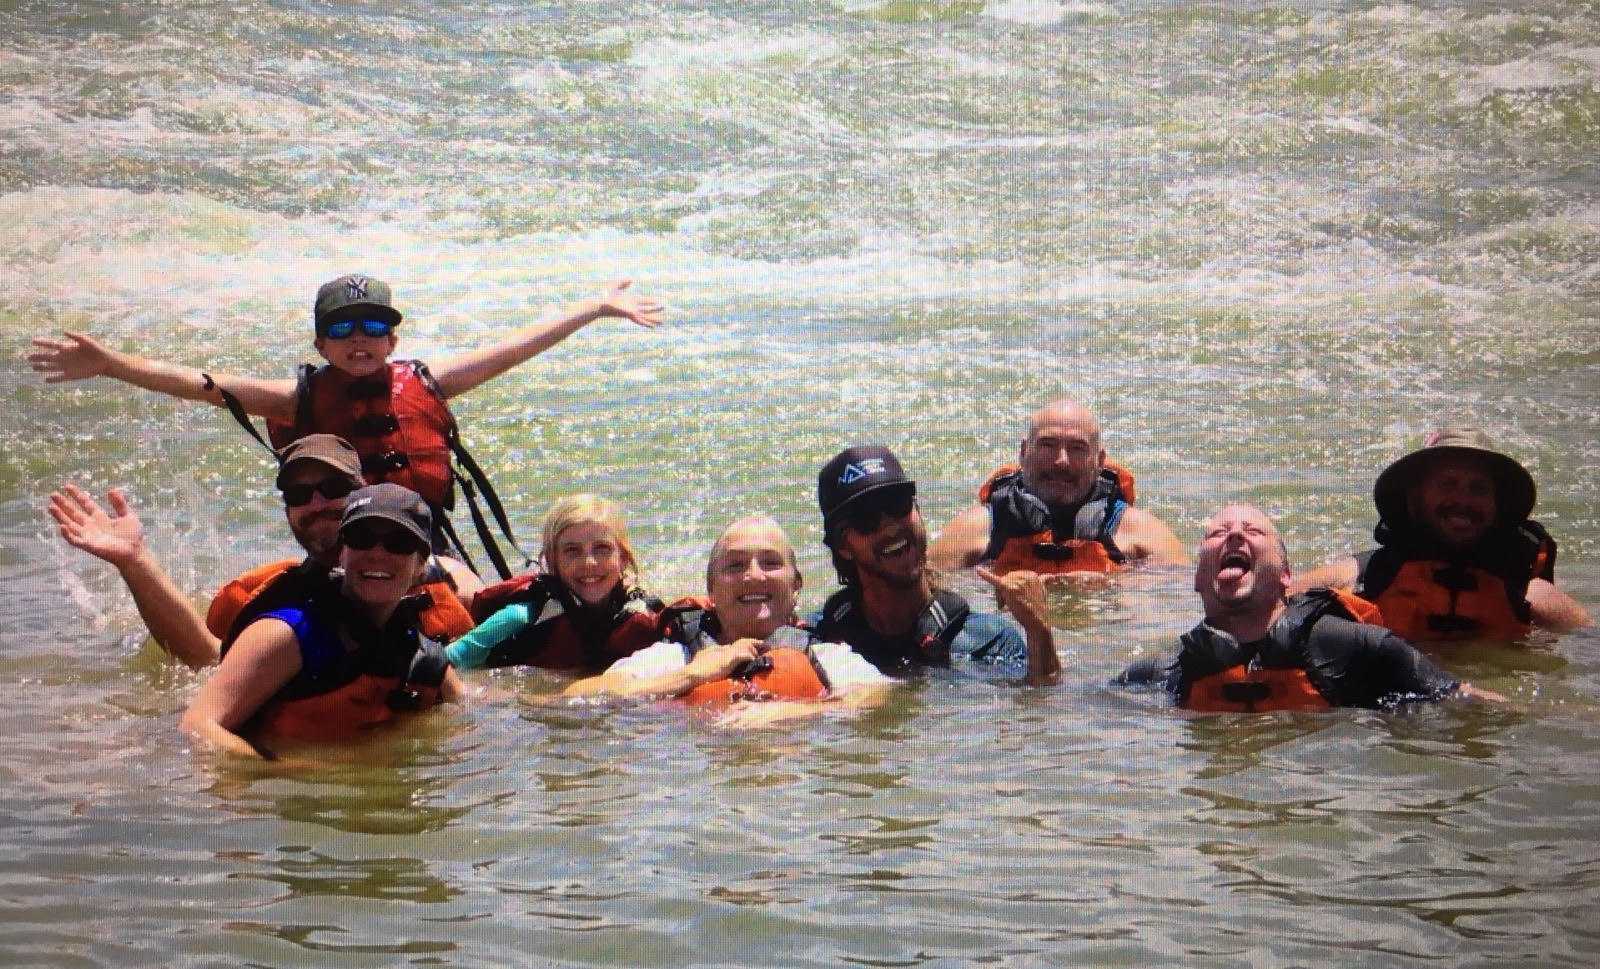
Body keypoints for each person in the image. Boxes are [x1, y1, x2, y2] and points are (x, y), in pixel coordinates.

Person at [29, 274, 663, 558]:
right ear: (320, 345)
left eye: (374, 327)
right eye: (342, 330)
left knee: (471, 608)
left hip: (427, 542)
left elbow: (519, 345)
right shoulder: (295, 399)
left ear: (392, 340)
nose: (359, 339)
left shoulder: (429, 382)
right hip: (341, 548)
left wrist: (594, 307)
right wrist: (109, 362)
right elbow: (203, 385)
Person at [48, 434, 478, 670]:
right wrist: (133, 561)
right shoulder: (258, 598)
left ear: (363, 494)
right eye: (298, 494)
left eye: (332, 489)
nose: (316, 505)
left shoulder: (446, 582)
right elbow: (205, 663)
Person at [1117, 503, 1504, 711]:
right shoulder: (1166, 671)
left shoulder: (1357, 648)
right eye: (1218, 533)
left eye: (1253, 532)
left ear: (1286, 576)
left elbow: (1466, 701)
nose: (1234, 534)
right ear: (1198, 578)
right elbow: (1083, 708)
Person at [180, 484, 465, 758]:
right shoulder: (286, 634)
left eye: (399, 543)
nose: (377, 554)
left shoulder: (421, 657)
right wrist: (303, 773)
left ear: (420, 566)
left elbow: (471, 710)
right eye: (361, 538)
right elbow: (198, 728)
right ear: (342, 553)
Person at [563, 515, 893, 722]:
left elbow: (881, 699)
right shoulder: (679, 656)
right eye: (734, 566)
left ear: (796, 586)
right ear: (711, 589)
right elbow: (577, 698)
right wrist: (690, 677)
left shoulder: (823, 656)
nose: (753, 576)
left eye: (770, 563)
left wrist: (793, 710)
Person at [1293, 427, 1589, 644]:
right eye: (1447, 484)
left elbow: (1588, 651)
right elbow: (1267, 611)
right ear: (1414, 498)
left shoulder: (1529, 596)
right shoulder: (1360, 579)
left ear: (1497, 505)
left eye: (1478, 488)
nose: (1463, 500)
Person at [813, 446, 1061, 685]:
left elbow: (1040, 709)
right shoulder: (816, 639)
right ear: (843, 546)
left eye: (897, 504)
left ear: (917, 510)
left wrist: (1039, 631)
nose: (890, 526)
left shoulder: (988, 641)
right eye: (866, 519)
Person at [929, 398, 1186, 576]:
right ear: (1024, 451)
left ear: (1099, 461)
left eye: (1077, 449)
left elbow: (1179, 605)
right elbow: (929, 592)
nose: (1061, 461)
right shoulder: (975, 530)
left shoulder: (1142, 535)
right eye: (1047, 445)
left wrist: (1117, 586)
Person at [444, 494, 662, 672]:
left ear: (623, 558)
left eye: (602, 548)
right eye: (572, 550)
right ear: (551, 561)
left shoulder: (641, 611)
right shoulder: (523, 616)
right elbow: (447, 661)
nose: (589, 562)